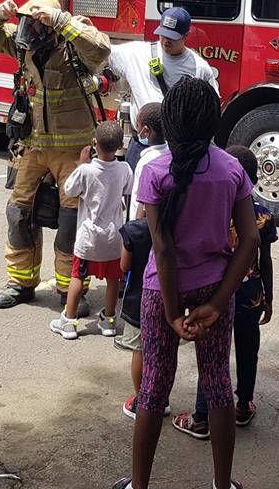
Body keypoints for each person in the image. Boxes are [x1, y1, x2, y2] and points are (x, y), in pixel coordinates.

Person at [110, 77, 260, 489]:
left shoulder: (155, 171)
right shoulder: (231, 169)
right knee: (218, 383)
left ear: (170, 122)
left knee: (154, 387)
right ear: (214, 121)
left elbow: (162, 248)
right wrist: (217, 303)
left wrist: (174, 312)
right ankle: (222, 484)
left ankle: (138, 485)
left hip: (162, 293)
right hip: (216, 287)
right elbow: (249, 240)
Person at [0, 0, 111, 312]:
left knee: (72, 221)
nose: (29, 29)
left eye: (36, 23)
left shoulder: (74, 42)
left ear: (50, 24)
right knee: (19, 213)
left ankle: (70, 289)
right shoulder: (22, 43)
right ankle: (21, 283)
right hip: (32, 146)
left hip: (73, 151)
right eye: (26, 23)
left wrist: (62, 21)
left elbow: (101, 49)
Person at [172, 145, 276, 439]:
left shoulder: (213, 209)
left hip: (216, 290)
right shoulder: (263, 215)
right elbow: (265, 259)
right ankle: (243, 405)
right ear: (254, 179)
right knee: (248, 348)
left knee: (211, 354)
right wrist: (268, 297)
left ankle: (201, 417)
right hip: (251, 293)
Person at [50, 121, 134, 340]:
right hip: (113, 237)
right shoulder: (124, 169)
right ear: (120, 146)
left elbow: (70, 190)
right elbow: (128, 189)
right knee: (113, 279)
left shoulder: (86, 170)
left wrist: (81, 164)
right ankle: (109, 320)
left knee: (78, 276)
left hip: (89, 238)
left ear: (94, 143)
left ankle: (69, 321)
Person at [109, 7, 220, 165]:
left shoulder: (200, 68)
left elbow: (210, 111)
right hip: (141, 146)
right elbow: (102, 50)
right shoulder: (137, 53)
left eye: (172, 37)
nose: (166, 40)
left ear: (186, 36)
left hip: (176, 150)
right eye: (163, 34)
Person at [120, 102, 167, 418]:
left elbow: (141, 203)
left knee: (139, 343)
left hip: (144, 246)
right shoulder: (172, 154)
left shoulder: (148, 159)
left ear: (145, 130)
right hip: (165, 250)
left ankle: (142, 401)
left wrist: (133, 237)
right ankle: (160, 398)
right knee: (161, 344)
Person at [127, 103, 166, 218]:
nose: (136, 128)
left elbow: (143, 201)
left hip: (142, 224)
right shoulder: (169, 153)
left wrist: (135, 225)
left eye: (137, 125)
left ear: (145, 131)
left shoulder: (145, 163)